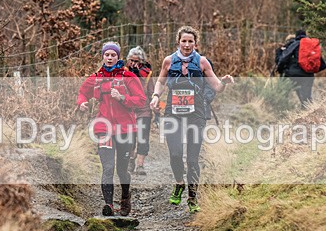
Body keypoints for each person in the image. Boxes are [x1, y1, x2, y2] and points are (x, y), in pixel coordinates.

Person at [149, 26, 234, 213]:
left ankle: (192, 197)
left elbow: (217, 87)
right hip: (173, 112)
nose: (187, 45)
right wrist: (156, 96)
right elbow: (161, 82)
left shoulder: (202, 62)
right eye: (184, 41)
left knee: (193, 159)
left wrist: (225, 82)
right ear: (178, 42)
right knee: (175, 153)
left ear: (196, 43)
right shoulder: (169, 61)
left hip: (196, 113)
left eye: (190, 41)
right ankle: (179, 183)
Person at [78, 41, 146, 217]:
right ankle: (108, 205)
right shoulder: (96, 77)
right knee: (108, 168)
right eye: (106, 55)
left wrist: (122, 98)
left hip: (125, 130)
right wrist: (82, 102)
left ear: (118, 57)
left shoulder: (129, 77)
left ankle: (125, 198)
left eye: (113, 55)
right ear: (103, 56)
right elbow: (82, 92)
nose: (109, 58)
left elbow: (141, 101)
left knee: (122, 170)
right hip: (104, 128)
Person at [274, 29, 326, 106]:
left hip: (293, 75)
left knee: (283, 94)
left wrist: (280, 69)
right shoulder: (311, 46)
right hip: (308, 76)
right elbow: (323, 65)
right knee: (307, 98)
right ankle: (309, 113)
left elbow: (283, 58)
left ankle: (283, 110)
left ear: (296, 36)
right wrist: (310, 70)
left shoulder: (295, 44)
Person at [125, 46, 154, 177]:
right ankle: (131, 159)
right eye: (131, 60)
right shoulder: (123, 73)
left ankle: (140, 164)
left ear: (141, 62)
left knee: (142, 137)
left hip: (144, 110)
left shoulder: (147, 74)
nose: (134, 64)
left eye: (137, 61)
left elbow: (152, 93)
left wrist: (158, 107)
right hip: (128, 110)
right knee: (129, 138)